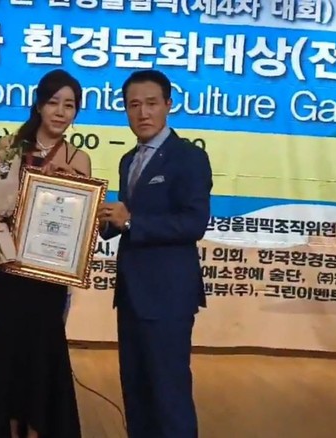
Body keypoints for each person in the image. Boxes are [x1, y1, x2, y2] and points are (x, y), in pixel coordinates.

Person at [0, 69, 91, 438]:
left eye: (69, 105)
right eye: (54, 102)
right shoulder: (10, 147)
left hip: (48, 272)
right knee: (5, 345)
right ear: (38, 105)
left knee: (43, 347)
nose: (61, 112)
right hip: (6, 267)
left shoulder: (78, 158)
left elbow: (83, 220)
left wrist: (71, 184)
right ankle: (4, 426)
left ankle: (40, 426)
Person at [98, 69, 213, 437]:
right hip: (131, 294)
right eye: (134, 105)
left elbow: (193, 223)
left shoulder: (189, 157)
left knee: (169, 393)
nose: (142, 113)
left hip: (168, 296)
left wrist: (131, 221)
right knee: (136, 391)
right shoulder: (128, 160)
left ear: (168, 105)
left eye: (151, 103)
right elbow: (126, 219)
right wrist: (100, 219)